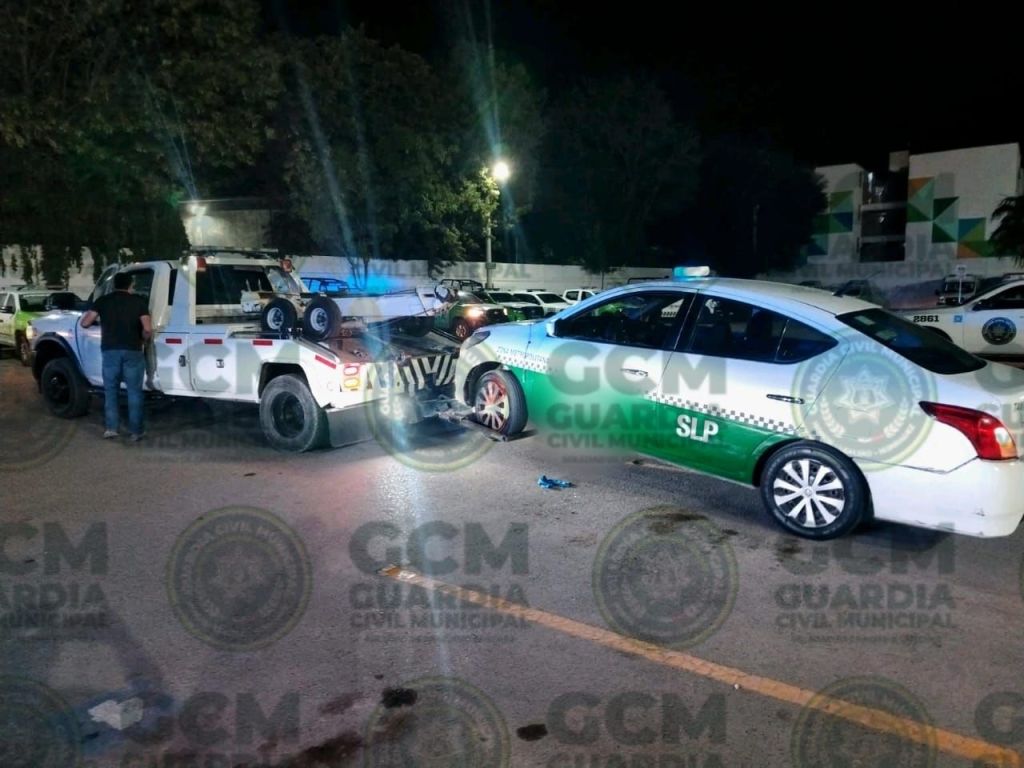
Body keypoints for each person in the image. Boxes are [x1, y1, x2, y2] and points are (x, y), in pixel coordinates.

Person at [80, 272, 152, 441]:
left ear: (113, 285)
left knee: (110, 391)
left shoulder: (103, 301)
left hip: (110, 351)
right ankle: (136, 432)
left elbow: (85, 322)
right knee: (134, 392)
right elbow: (147, 329)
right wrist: (143, 339)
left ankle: (111, 429)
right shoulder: (139, 302)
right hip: (133, 351)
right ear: (130, 285)